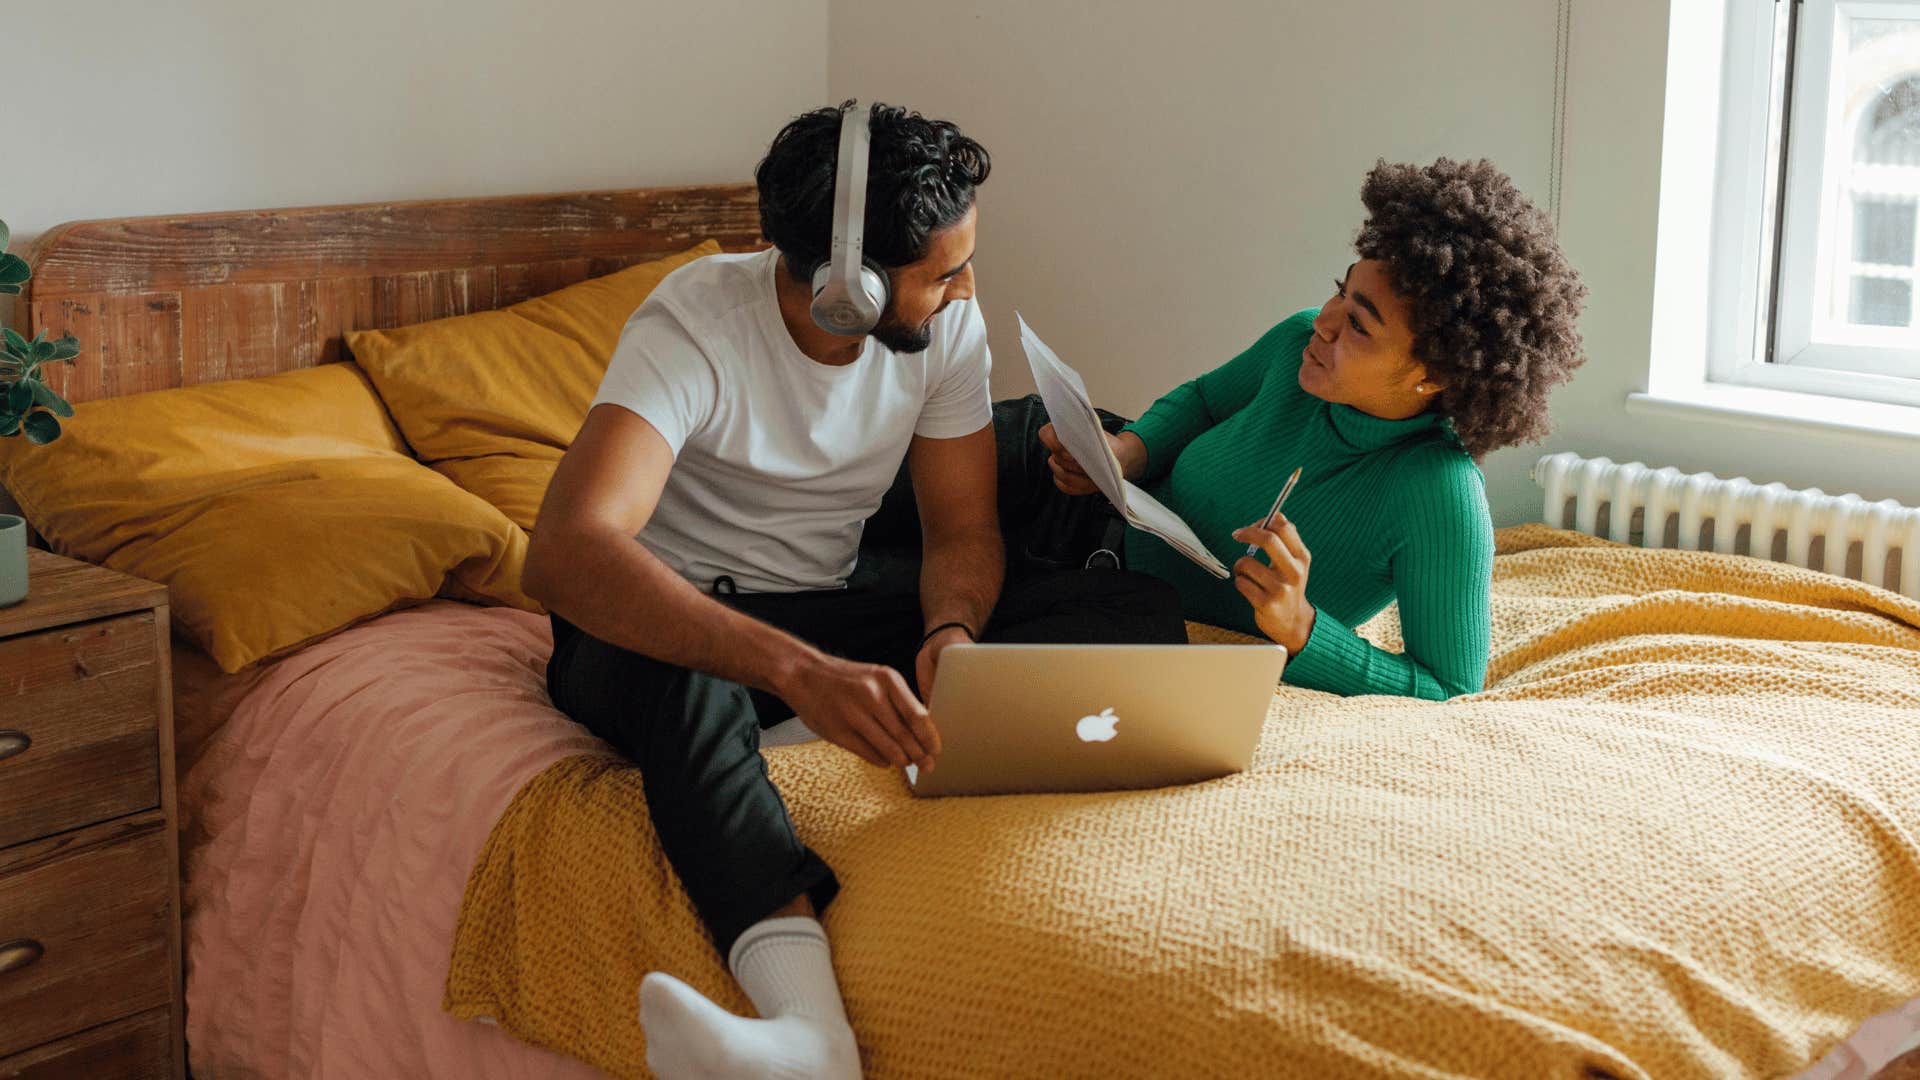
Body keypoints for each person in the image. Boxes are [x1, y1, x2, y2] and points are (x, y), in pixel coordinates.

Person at [521, 102, 1183, 1080]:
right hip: (665, 623)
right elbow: (567, 554)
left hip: (825, 605)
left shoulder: (943, 332)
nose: (968, 290)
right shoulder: (694, 321)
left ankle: (812, 721)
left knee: (1128, 610)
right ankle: (807, 1038)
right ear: (850, 285)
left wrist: (953, 629)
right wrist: (800, 671)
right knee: (693, 683)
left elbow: (961, 531)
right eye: (945, 273)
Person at [1041, 158, 1588, 700]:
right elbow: (1205, 401)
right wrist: (1127, 452)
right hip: (1075, 502)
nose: (1324, 320)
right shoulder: (1296, 343)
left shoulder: (1440, 495)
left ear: (1433, 376)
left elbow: (1448, 686)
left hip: (1103, 594)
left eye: (1358, 323)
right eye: (1341, 290)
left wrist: (1302, 628)